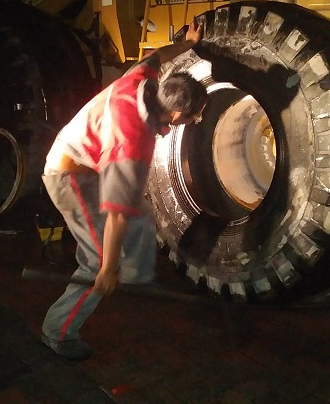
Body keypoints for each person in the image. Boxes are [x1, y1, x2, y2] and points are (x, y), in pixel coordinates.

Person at [40, 19, 207, 360]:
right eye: (194, 117)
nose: (196, 121)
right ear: (175, 112)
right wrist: (108, 269)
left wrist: (188, 44)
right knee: (98, 257)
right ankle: (58, 331)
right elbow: (116, 216)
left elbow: (159, 54)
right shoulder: (133, 142)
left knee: (141, 213)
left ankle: (135, 277)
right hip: (70, 177)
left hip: (90, 160)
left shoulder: (143, 79)